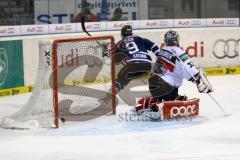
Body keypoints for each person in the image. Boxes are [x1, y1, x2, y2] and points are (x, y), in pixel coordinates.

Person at [132, 30, 212, 115]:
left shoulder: (162, 51)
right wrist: (198, 79)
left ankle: (147, 105)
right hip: (166, 87)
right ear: (177, 40)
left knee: (169, 95)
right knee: (179, 98)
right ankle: (159, 107)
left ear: (166, 40)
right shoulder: (179, 52)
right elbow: (188, 68)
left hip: (153, 85)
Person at [114, 25, 162, 93]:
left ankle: (112, 93)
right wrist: (159, 63)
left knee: (121, 77)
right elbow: (156, 49)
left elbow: (115, 59)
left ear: (122, 34)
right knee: (127, 77)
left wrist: (106, 51)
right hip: (147, 65)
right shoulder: (140, 38)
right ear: (131, 32)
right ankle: (160, 91)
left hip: (132, 65)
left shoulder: (121, 42)